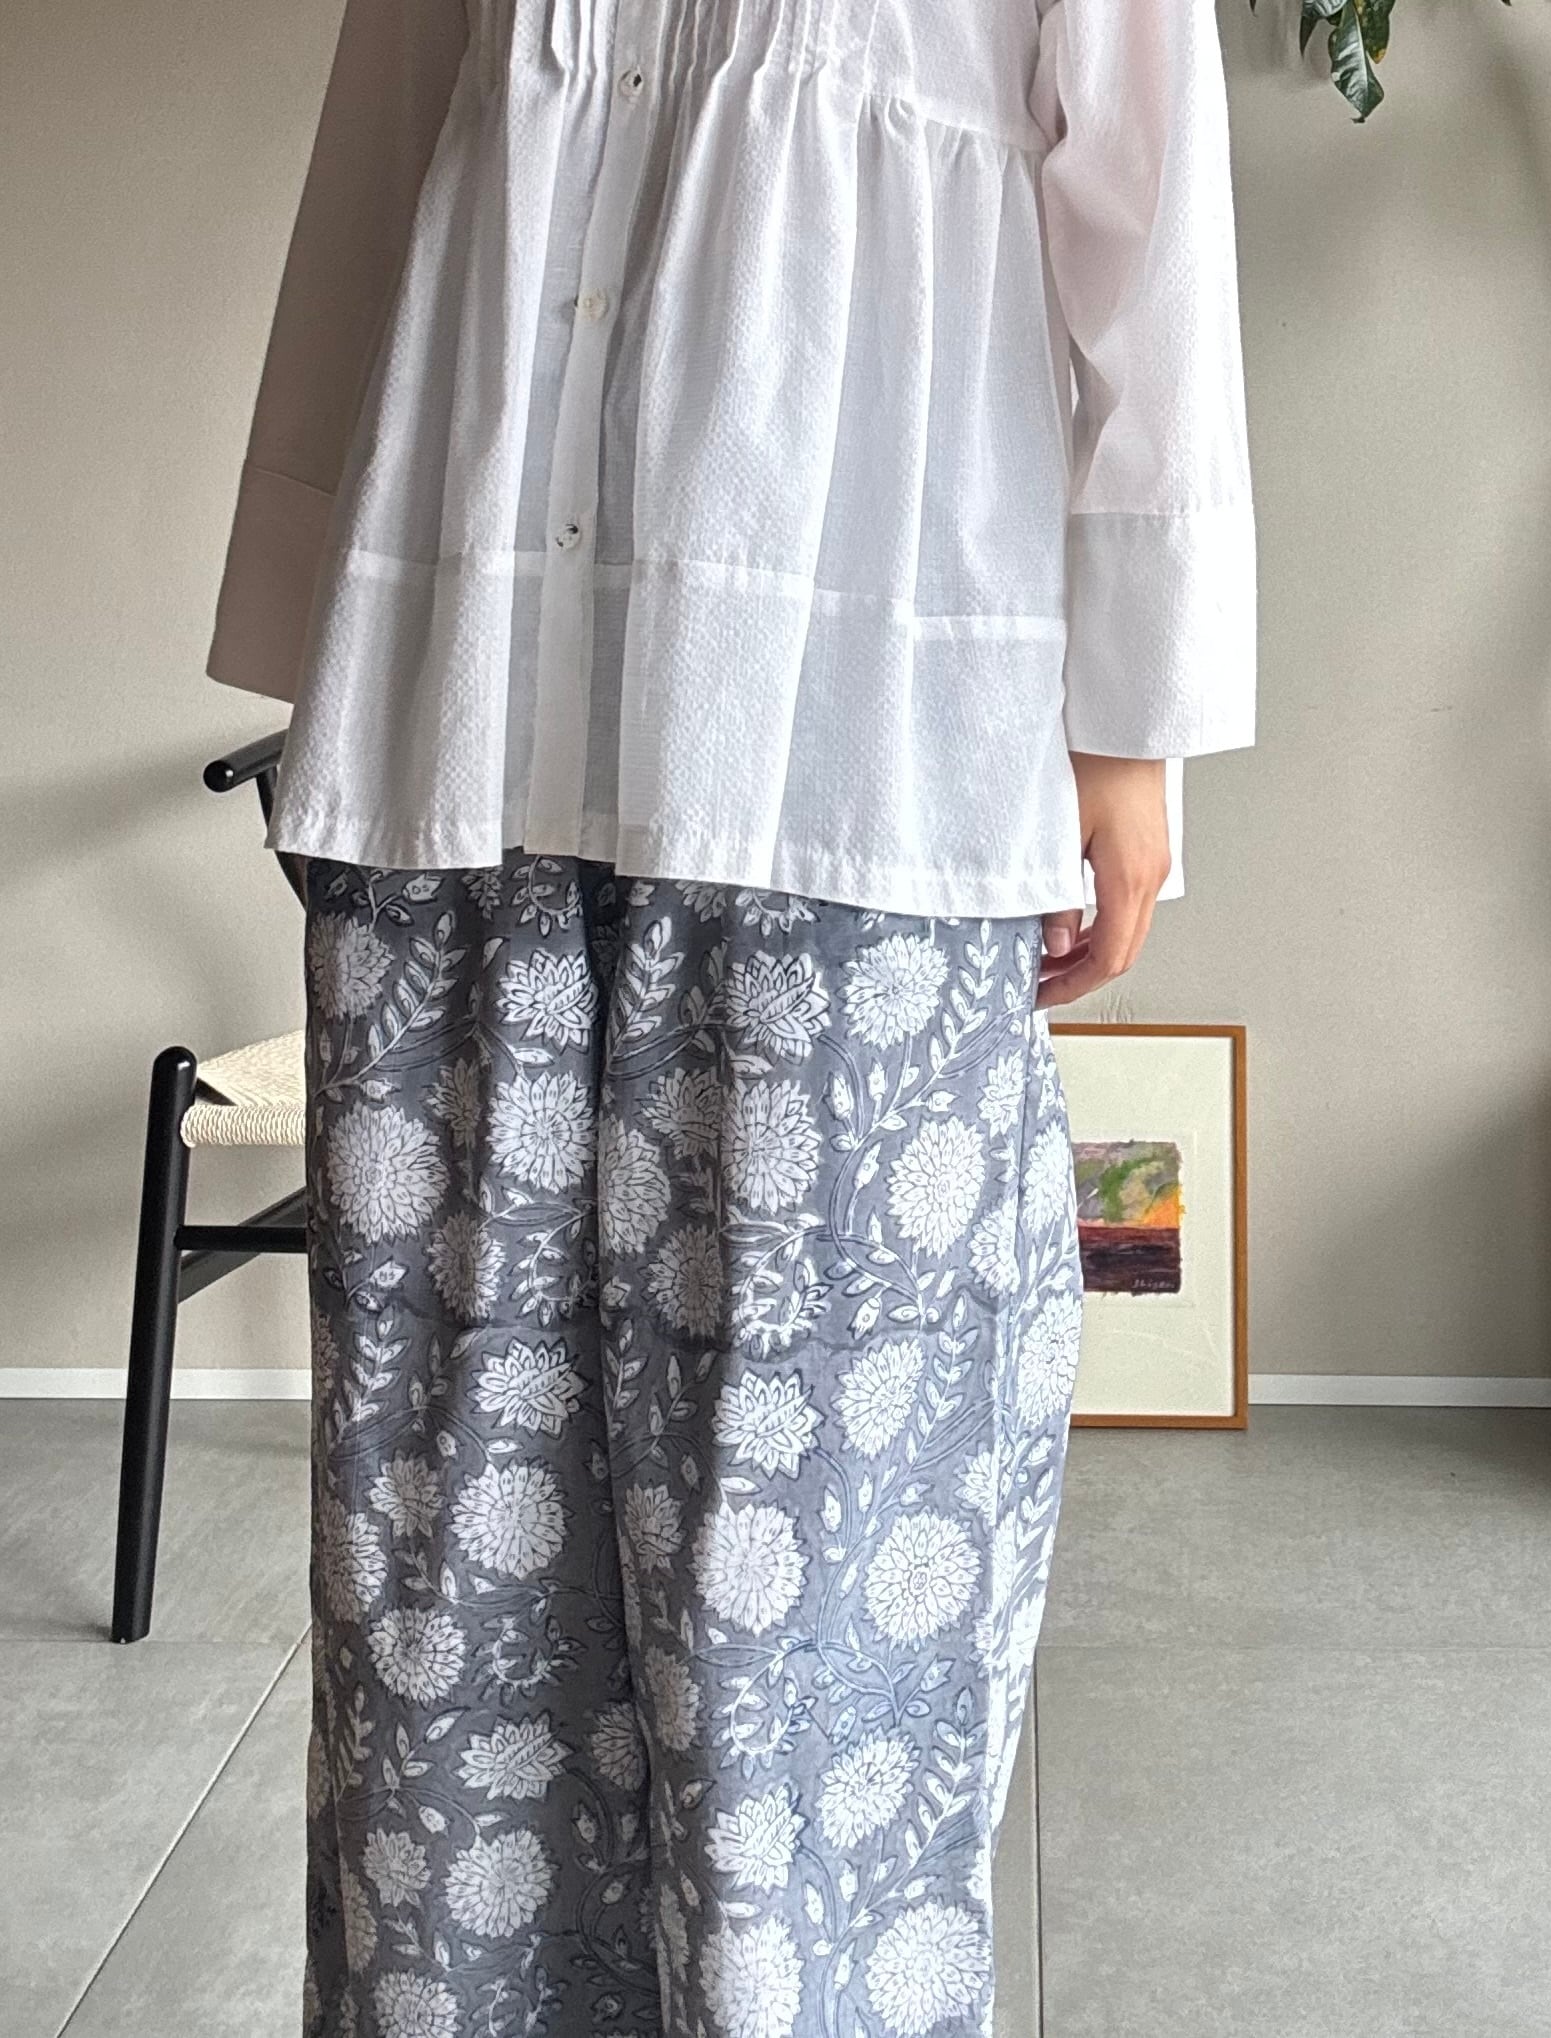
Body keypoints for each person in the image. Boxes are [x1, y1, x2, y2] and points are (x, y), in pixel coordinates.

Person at [208, 2, 1254, 2031]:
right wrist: (325, 621)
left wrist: (1134, 727)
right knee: (445, 1555)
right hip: (465, 715)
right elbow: (392, 149)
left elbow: (1149, 221)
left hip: (853, 747)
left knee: (811, 1572)